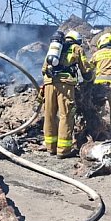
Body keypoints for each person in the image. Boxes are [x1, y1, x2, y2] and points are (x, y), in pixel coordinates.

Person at [41, 30, 93, 158]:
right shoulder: (76, 48)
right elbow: (85, 69)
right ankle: (63, 150)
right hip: (65, 85)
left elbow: (44, 69)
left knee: (49, 114)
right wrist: (89, 78)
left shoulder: (54, 48)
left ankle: (50, 147)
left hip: (48, 83)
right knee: (66, 115)